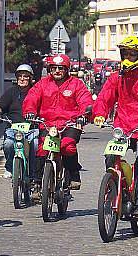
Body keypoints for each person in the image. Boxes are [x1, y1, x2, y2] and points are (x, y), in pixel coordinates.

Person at [93, 36, 138, 219]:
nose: (128, 57)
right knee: (110, 155)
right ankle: (116, 187)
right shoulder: (117, 77)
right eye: (125, 53)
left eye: (133, 54)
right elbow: (105, 97)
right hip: (122, 127)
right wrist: (100, 113)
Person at [22, 53, 93, 194]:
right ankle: (37, 182)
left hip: (70, 124)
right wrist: (30, 111)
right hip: (48, 124)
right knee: (42, 149)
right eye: (54, 68)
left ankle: (73, 174)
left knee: (68, 146)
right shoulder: (42, 84)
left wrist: (84, 115)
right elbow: (31, 99)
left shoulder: (76, 84)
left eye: (61, 68)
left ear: (67, 69)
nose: (57, 71)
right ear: (50, 69)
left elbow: (86, 101)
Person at [0, 64, 38, 187]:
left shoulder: (36, 91)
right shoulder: (11, 92)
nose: (22, 79)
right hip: (14, 127)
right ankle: (9, 167)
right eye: (20, 76)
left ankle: (34, 174)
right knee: (8, 144)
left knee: (35, 145)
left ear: (30, 78)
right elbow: (0, 105)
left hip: (32, 128)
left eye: (25, 76)